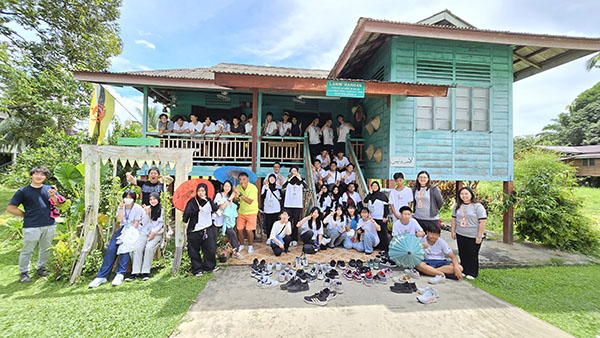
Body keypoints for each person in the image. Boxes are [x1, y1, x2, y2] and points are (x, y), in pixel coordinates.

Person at [7, 166, 62, 283]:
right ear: (31, 175)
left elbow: (58, 205)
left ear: (45, 177)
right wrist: (25, 215)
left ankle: (41, 268)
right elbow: (11, 208)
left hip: (49, 224)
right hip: (31, 226)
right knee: (27, 250)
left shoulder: (49, 190)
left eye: (42, 175)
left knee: (45, 248)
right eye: (36, 174)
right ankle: (24, 273)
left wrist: (53, 195)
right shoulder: (22, 191)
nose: (39, 177)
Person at [88, 190, 144, 287]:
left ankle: (120, 274)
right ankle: (102, 276)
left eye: (130, 197)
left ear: (134, 199)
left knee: (125, 247)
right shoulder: (121, 207)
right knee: (111, 249)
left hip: (133, 230)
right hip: (122, 229)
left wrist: (128, 234)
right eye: (126, 197)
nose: (128, 199)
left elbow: (136, 223)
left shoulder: (138, 208)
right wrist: (121, 208)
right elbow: (119, 221)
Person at [183, 184, 219, 276]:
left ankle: (209, 266)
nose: (201, 193)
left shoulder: (209, 200)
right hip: (195, 230)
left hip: (207, 228)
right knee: (194, 251)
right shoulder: (192, 202)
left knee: (209, 248)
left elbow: (216, 209)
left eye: (203, 191)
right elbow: (186, 216)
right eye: (199, 191)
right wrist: (196, 210)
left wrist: (208, 201)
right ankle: (197, 269)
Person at [451, 187, 487, 279]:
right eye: (462, 194)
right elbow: (454, 219)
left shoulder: (477, 206)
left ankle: (472, 272)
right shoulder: (457, 205)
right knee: (462, 253)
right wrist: (453, 231)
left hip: (473, 235)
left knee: (472, 254)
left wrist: (479, 236)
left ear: (471, 194)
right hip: (460, 233)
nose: (464, 196)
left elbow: (482, 221)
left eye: (466, 194)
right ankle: (464, 269)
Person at [128, 192, 164, 281]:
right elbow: (143, 223)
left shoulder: (161, 210)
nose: (153, 201)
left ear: (158, 199)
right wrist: (147, 214)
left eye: (154, 199)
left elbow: (161, 224)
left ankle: (145, 271)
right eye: (151, 199)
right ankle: (135, 272)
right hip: (144, 232)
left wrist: (154, 232)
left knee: (149, 248)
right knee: (137, 247)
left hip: (157, 233)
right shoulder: (146, 209)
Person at [282, 166, 307, 246]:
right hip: (288, 205)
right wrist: (290, 178)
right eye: (292, 171)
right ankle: (288, 238)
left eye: (295, 171)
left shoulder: (301, 181)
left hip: (297, 205)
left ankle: (295, 238)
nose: (293, 172)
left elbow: (306, 187)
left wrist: (299, 178)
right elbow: (283, 186)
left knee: (296, 222)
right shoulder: (287, 180)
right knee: (288, 222)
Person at [234, 172, 258, 254]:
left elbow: (249, 201)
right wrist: (234, 193)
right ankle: (241, 245)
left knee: (249, 230)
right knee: (239, 229)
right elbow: (235, 200)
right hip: (241, 211)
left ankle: (250, 246)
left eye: (244, 179)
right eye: (240, 179)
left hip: (252, 211)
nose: (242, 181)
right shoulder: (238, 187)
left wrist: (239, 194)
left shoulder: (253, 188)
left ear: (248, 179)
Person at [214, 181, 240, 255]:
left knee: (232, 234)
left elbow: (232, 208)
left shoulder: (230, 196)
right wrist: (229, 200)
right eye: (225, 186)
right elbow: (221, 207)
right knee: (214, 237)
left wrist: (233, 197)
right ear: (223, 187)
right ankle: (214, 252)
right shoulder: (219, 195)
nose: (227, 188)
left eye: (229, 186)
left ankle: (236, 250)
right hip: (217, 219)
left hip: (226, 220)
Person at [364, 181, 389, 250]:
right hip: (372, 217)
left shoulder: (382, 196)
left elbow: (386, 207)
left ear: (378, 187)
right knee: (374, 231)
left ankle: (384, 247)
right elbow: (365, 200)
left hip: (380, 217)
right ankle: (376, 245)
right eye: (373, 186)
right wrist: (370, 193)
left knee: (382, 232)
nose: (374, 187)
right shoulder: (370, 195)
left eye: (376, 186)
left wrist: (385, 216)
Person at [261, 174, 282, 239]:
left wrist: (279, 188)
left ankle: (275, 237)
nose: (272, 180)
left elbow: (281, 197)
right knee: (268, 223)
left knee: (275, 223)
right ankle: (269, 237)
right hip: (268, 208)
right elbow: (262, 197)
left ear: (275, 180)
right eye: (270, 178)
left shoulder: (277, 187)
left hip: (276, 208)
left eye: (273, 178)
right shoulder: (265, 186)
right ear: (268, 179)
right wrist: (266, 190)